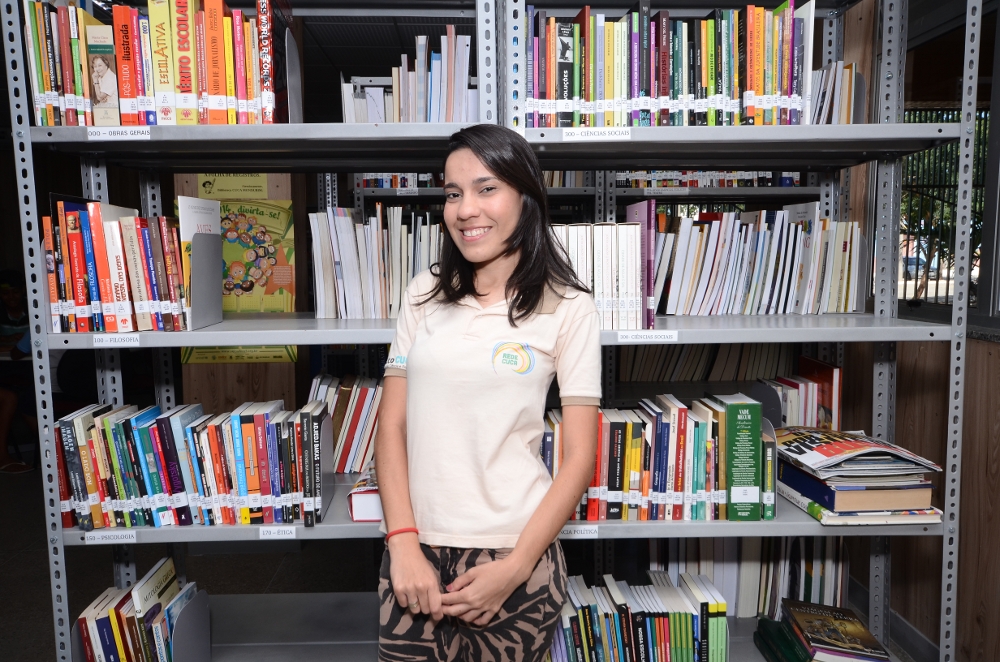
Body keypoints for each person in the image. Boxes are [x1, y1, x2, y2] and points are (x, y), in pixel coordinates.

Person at [375, 124, 601, 661]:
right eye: (453, 193)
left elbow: (579, 456)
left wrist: (517, 566)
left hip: (515, 553)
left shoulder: (569, 307)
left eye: (486, 187)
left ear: (525, 196)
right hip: (413, 553)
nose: (465, 209)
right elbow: (391, 426)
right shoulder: (421, 295)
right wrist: (402, 542)